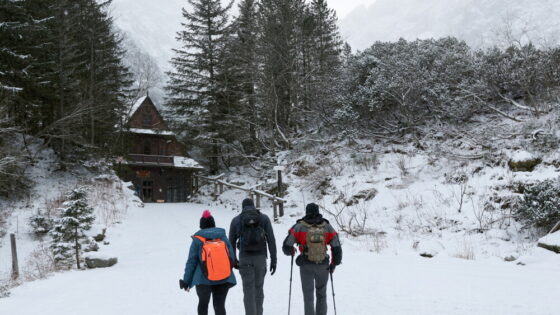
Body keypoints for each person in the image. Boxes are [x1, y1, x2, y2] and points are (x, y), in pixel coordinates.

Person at [282, 203, 342, 315]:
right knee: (322, 294)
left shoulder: (299, 226)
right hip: (323, 265)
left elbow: (286, 247)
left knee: (308, 296)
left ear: (306, 212)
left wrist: (292, 251)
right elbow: (337, 247)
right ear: (318, 211)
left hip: (306, 266)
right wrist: (333, 264)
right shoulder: (327, 226)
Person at [181, 210, 236, 315]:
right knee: (219, 306)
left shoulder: (198, 240)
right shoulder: (222, 237)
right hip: (223, 278)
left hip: (203, 280)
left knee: (203, 305)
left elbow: (191, 262)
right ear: (213, 223)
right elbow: (231, 257)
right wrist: (222, 270)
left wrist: (186, 281)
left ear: (201, 225)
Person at [229, 198, 277, 315]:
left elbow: (231, 243)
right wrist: (274, 260)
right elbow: (271, 240)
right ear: (254, 206)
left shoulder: (236, 220)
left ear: (242, 207)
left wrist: (233, 261)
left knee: (248, 292)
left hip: (245, 259)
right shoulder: (263, 218)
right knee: (259, 289)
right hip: (260, 258)